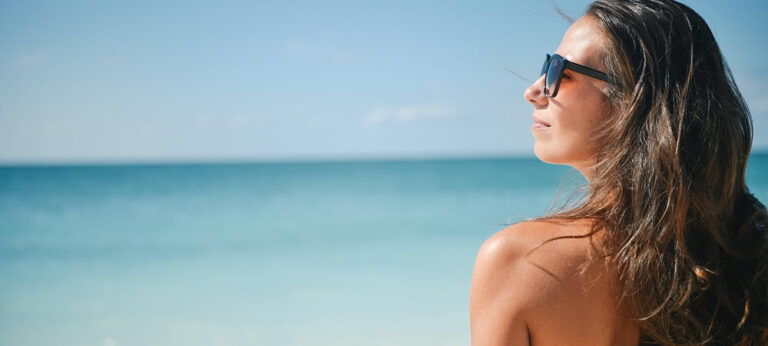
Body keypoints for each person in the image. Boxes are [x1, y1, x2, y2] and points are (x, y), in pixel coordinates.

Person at [469, 0, 768, 344]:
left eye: (560, 71)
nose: (533, 91)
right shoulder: (746, 262)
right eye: (547, 65)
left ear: (633, 101)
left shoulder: (519, 263)